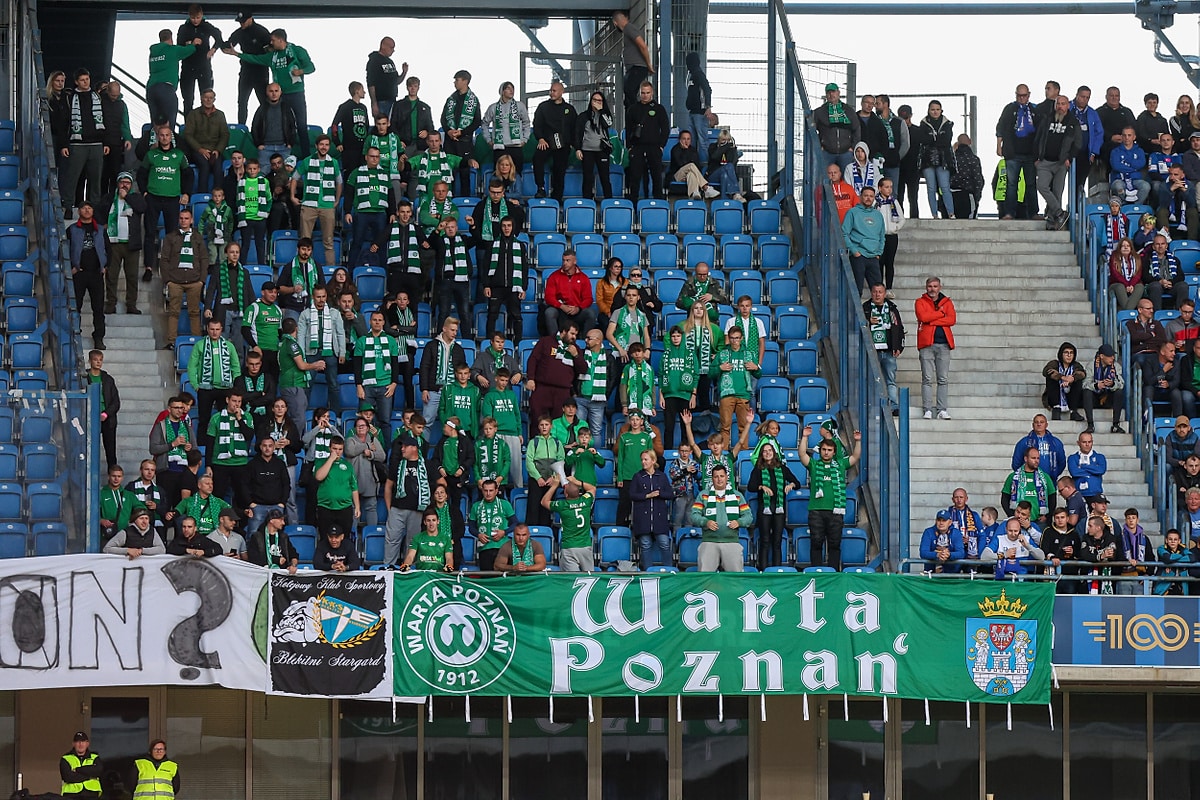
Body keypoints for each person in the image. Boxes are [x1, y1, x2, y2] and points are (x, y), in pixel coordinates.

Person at [232, 28, 315, 158]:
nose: (271, 43)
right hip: (280, 96)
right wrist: (237, 54)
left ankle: (306, 157)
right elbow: (255, 58)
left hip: (296, 93)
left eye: (273, 40)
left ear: (281, 40)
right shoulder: (272, 56)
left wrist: (300, 71)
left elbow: (311, 67)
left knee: (301, 125)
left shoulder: (297, 50)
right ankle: (281, 153)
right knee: (280, 123)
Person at [798, 425, 861, 571]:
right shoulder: (814, 465)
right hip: (816, 511)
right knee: (816, 542)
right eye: (824, 450)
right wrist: (805, 437)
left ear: (834, 452)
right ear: (820, 451)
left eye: (829, 450)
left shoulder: (840, 465)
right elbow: (802, 455)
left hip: (835, 512)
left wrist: (857, 441)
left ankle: (833, 574)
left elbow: (855, 457)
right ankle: (816, 572)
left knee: (834, 544)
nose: (826, 453)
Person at [143, 126, 196, 281]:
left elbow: (188, 174)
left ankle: (172, 266)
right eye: (162, 135)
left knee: (173, 234)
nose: (165, 138)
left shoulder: (179, 155)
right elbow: (141, 174)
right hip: (153, 198)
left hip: (172, 199)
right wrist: (144, 191)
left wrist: (186, 193)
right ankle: (148, 267)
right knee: (149, 233)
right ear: (158, 137)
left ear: (171, 137)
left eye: (167, 135)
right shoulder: (151, 155)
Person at [60, 69, 109, 215]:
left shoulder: (97, 96)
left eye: (87, 79)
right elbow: (64, 123)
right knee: (72, 178)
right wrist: (64, 145)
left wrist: (104, 142)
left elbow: (104, 120)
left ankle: (95, 209)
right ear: (76, 82)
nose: (85, 82)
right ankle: (68, 206)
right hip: (77, 144)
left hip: (96, 144)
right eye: (82, 80)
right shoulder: (70, 97)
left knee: (95, 180)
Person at [187, 317, 240, 447]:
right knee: (204, 419)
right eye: (212, 329)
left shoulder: (229, 346)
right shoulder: (200, 345)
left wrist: (234, 385)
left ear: (221, 329)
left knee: (225, 418)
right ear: (207, 329)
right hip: (205, 388)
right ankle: (202, 447)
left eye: (217, 329)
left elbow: (235, 367)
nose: (214, 332)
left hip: (225, 388)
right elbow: (191, 366)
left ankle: (224, 444)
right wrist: (195, 385)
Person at [689, 464, 751, 572]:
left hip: (731, 542)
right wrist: (705, 522)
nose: (719, 479)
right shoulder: (703, 495)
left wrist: (739, 522)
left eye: (722, 476)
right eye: (716, 476)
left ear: (727, 477)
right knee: (705, 579)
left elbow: (748, 517)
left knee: (735, 579)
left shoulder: (737, 496)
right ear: (712, 478)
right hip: (709, 542)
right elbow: (694, 515)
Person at [383, 431, 432, 564]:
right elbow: (388, 487)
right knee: (392, 540)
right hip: (397, 509)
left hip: (417, 511)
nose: (402, 449)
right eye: (402, 446)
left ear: (414, 448)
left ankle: (409, 571)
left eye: (405, 446)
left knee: (412, 543)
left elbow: (440, 484)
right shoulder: (397, 464)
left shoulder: (426, 465)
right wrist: (390, 509)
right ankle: (388, 569)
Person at [748, 442, 798, 570]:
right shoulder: (758, 469)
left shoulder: (782, 468)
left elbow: (796, 482)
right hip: (765, 508)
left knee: (777, 542)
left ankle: (776, 570)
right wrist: (761, 486)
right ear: (761, 454)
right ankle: (763, 571)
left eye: (770, 450)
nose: (767, 453)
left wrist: (790, 485)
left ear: (774, 452)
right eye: (765, 451)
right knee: (764, 541)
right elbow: (750, 487)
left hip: (779, 508)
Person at [1035, 94, 1081, 230]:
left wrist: (1070, 158)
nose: (1060, 107)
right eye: (1058, 104)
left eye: (1063, 104)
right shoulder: (1047, 119)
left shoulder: (1073, 122)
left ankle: (1052, 221)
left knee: (1057, 191)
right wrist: (1036, 157)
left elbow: (1078, 143)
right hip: (1044, 161)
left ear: (1068, 105)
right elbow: (1038, 138)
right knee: (1042, 186)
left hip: (1061, 163)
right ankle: (1060, 213)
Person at [996, 84, 1040, 220]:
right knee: (1011, 184)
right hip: (1012, 153)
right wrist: (999, 146)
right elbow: (1001, 127)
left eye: (1024, 95)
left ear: (1029, 95)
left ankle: (1033, 213)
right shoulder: (1010, 108)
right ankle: (1009, 213)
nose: (1022, 98)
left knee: (1031, 184)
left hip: (1030, 154)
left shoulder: (1034, 109)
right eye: (1019, 95)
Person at [68, 201, 108, 350]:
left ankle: (98, 337)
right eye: (83, 208)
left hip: (96, 274)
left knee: (98, 308)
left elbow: (108, 249)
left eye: (89, 208)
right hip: (79, 274)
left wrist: (105, 266)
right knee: (75, 307)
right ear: (79, 211)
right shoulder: (71, 230)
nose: (86, 210)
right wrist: (72, 267)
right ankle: (75, 334)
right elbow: (64, 249)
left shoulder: (101, 230)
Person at [914, 276, 955, 420]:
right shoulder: (920, 302)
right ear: (926, 287)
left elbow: (952, 319)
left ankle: (942, 409)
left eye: (935, 286)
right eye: (930, 286)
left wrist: (932, 319)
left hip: (944, 344)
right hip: (926, 344)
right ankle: (928, 409)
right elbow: (923, 317)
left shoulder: (947, 302)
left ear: (940, 287)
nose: (932, 289)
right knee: (927, 378)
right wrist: (940, 314)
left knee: (942, 378)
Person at [147, 29, 202, 131]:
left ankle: (153, 144)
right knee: (169, 123)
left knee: (155, 123)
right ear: (171, 38)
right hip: (166, 89)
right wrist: (193, 44)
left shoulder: (153, 53)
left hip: (151, 89)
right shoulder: (172, 49)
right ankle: (169, 145)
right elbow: (189, 50)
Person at [863, 283, 905, 415]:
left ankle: (893, 406)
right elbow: (856, 326)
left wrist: (899, 346)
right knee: (870, 379)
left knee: (890, 380)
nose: (877, 294)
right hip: (871, 350)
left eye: (880, 292)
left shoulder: (892, 308)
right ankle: (870, 405)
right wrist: (868, 321)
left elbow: (898, 328)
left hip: (888, 350)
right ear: (871, 292)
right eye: (875, 292)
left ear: (885, 293)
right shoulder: (865, 308)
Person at [625, 81, 670, 202]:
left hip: (654, 147)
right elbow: (628, 129)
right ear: (639, 93)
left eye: (647, 93)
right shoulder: (633, 109)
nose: (645, 95)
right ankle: (633, 206)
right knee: (635, 178)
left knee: (656, 178)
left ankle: (658, 203)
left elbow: (665, 128)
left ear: (652, 93)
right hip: (637, 147)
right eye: (643, 93)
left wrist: (661, 145)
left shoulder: (659, 109)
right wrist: (629, 147)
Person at [440, 70, 482, 196]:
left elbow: (476, 122)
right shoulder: (451, 99)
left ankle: (464, 203)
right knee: (448, 175)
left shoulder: (473, 100)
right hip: (450, 143)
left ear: (465, 81)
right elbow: (443, 118)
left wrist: (462, 132)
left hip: (465, 143)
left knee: (465, 175)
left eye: (457, 80)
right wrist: (449, 131)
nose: (454, 82)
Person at [226, 10, 270, 125]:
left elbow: (270, 52)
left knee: (264, 102)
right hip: (246, 71)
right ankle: (241, 127)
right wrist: (221, 45)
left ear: (251, 18)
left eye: (244, 21)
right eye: (240, 22)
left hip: (260, 71)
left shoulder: (262, 32)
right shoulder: (239, 32)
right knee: (242, 101)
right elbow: (228, 45)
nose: (242, 24)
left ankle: (266, 127)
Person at [842, 185, 885, 294]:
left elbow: (882, 236)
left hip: (874, 256)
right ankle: (854, 311)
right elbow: (844, 233)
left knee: (878, 291)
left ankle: (876, 311)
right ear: (860, 197)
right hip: (858, 256)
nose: (868, 198)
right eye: (866, 195)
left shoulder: (878, 215)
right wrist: (854, 251)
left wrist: (879, 252)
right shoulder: (852, 212)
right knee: (857, 290)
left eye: (871, 196)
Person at [916, 100, 955, 218]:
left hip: (943, 160)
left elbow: (946, 141)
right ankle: (934, 214)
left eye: (937, 109)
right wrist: (936, 139)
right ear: (928, 110)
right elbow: (923, 140)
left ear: (941, 110)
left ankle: (951, 213)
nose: (935, 112)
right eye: (933, 109)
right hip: (927, 160)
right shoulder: (923, 124)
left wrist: (933, 140)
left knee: (945, 187)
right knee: (931, 187)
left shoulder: (947, 124)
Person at [482, 81, 531, 174]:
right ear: (502, 91)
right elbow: (484, 124)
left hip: (516, 146)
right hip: (500, 147)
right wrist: (488, 140)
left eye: (513, 88)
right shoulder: (493, 107)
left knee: (517, 175)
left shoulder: (520, 106)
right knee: (500, 176)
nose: (511, 90)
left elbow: (526, 123)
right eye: (508, 88)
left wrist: (525, 139)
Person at [243, 437, 290, 534]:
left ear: (274, 448)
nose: (267, 448)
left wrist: (282, 503)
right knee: (252, 536)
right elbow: (244, 485)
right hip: (257, 507)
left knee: (278, 537)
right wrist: (251, 503)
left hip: (277, 506)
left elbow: (286, 484)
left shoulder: (280, 464)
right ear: (260, 447)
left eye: (270, 446)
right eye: (264, 446)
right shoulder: (252, 464)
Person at [84, 349, 120, 469]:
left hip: (107, 419)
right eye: (95, 360)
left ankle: (113, 476)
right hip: (89, 418)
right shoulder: (84, 378)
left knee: (110, 451)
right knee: (88, 449)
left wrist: (106, 414)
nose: (98, 362)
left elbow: (116, 402)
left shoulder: (108, 379)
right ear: (90, 361)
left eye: (100, 360)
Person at [469, 478, 516, 571]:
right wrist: (478, 535)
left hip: (502, 547)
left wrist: (504, 532)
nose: (488, 493)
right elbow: (471, 527)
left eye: (491, 490)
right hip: (485, 547)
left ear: (496, 491)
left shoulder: (505, 504)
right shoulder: (476, 506)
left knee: (503, 577)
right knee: (487, 578)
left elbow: (515, 523)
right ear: (482, 491)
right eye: (485, 490)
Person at [576, 90, 615, 199]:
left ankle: (609, 200)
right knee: (588, 177)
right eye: (595, 100)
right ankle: (587, 200)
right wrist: (578, 149)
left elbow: (608, 124)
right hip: (587, 150)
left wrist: (601, 111)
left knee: (605, 177)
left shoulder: (606, 114)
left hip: (602, 150)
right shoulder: (583, 116)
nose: (597, 102)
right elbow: (578, 133)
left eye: (599, 100)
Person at [612, 9, 653, 109]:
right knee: (628, 97)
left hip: (637, 67)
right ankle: (631, 118)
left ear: (615, 23)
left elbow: (642, 46)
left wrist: (649, 65)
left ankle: (637, 113)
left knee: (629, 89)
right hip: (633, 68)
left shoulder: (629, 28)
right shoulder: (627, 30)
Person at [813, 82, 858, 170]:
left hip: (846, 152)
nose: (831, 94)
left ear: (838, 93)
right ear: (826, 94)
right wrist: (819, 145)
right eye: (828, 92)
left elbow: (856, 128)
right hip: (826, 152)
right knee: (824, 178)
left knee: (847, 179)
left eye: (833, 91)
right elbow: (812, 130)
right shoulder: (819, 112)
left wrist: (853, 147)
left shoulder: (848, 110)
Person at [1011, 413, 1068, 480]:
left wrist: (1054, 474)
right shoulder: (1024, 442)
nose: (1039, 424)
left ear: (1046, 425)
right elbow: (1016, 463)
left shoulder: (1056, 443)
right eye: (1036, 422)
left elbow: (1062, 462)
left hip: (1050, 480)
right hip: (1029, 480)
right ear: (1033, 425)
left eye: (1042, 422)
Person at [1041, 342, 1086, 422]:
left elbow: (1082, 374)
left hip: (1071, 396)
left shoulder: (1076, 365)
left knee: (1078, 381)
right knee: (1051, 378)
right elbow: (1046, 371)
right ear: (1061, 354)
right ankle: (1056, 408)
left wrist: (1072, 379)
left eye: (1071, 353)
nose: (1069, 355)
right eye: (1066, 353)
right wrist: (1062, 377)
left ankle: (1073, 411)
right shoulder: (1054, 363)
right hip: (1055, 395)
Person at [669, 129, 719, 200]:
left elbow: (697, 166)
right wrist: (685, 150)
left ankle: (694, 193)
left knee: (691, 174)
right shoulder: (675, 149)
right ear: (680, 140)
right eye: (684, 139)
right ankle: (705, 187)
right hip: (677, 175)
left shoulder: (693, 150)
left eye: (688, 139)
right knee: (691, 165)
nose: (686, 141)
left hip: (688, 175)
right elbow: (680, 164)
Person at [246, 507, 299, 572]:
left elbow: (294, 555)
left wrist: (293, 566)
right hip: (263, 573)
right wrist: (275, 559)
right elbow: (253, 558)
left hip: (282, 575)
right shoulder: (257, 537)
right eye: (280, 520)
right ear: (271, 520)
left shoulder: (283, 537)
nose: (283, 523)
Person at [1143, 233, 1187, 311]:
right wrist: (1159, 281)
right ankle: (1157, 315)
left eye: (1162, 244)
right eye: (1157, 244)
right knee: (1155, 286)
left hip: (1171, 285)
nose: (1160, 246)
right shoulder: (1147, 260)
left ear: (1166, 246)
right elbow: (1144, 277)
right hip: (1155, 286)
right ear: (1153, 246)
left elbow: (1181, 276)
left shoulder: (1175, 259)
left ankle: (1181, 315)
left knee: (1183, 286)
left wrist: (1171, 282)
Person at [366, 37, 406, 121]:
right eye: (391, 47)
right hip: (381, 101)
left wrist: (404, 72)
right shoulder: (374, 60)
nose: (393, 50)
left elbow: (397, 81)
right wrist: (374, 103)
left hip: (392, 100)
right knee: (382, 126)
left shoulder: (390, 62)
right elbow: (371, 83)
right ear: (383, 45)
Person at [1110, 125, 1150, 204]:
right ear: (1121, 137)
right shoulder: (1115, 151)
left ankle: (1136, 207)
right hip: (1119, 179)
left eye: (1129, 135)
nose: (1127, 138)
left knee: (1146, 186)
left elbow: (1141, 164)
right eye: (1124, 135)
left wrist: (1126, 162)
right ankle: (1124, 207)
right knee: (1118, 186)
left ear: (1134, 137)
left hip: (1135, 179)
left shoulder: (1139, 151)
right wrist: (1134, 168)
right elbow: (1116, 166)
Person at [948, 135, 985, 220]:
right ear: (970, 142)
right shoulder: (973, 159)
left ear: (957, 144)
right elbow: (978, 179)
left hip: (951, 196)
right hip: (967, 195)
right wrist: (977, 197)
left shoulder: (952, 159)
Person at [61, 732, 103, 800]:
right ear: (73, 744)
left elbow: (98, 771)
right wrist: (90, 776)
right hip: (72, 795)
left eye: (83, 741)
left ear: (87, 744)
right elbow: (68, 777)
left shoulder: (95, 757)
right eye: (78, 741)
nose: (81, 744)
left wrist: (78, 770)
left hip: (92, 795)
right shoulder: (66, 758)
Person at [1068, 430, 1107, 502]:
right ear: (1078, 443)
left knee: (1096, 513)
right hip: (1078, 494)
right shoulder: (1072, 458)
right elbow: (1074, 472)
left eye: (1089, 442)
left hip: (1096, 494)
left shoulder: (1100, 457)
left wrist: (1082, 466)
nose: (1087, 444)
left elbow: (1101, 470)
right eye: (1084, 442)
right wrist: (1094, 470)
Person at [707, 129, 743, 200]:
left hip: (726, 173)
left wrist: (732, 151)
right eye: (723, 140)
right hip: (713, 175)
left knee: (725, 175)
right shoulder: (712, 146)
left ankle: (724, 200)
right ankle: (736, 192)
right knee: (728, 167)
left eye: (728, 140)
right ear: (719, 139)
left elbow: (733, 163)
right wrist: (725, 147)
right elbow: (714, 156)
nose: (726, 142)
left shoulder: (731, 149)